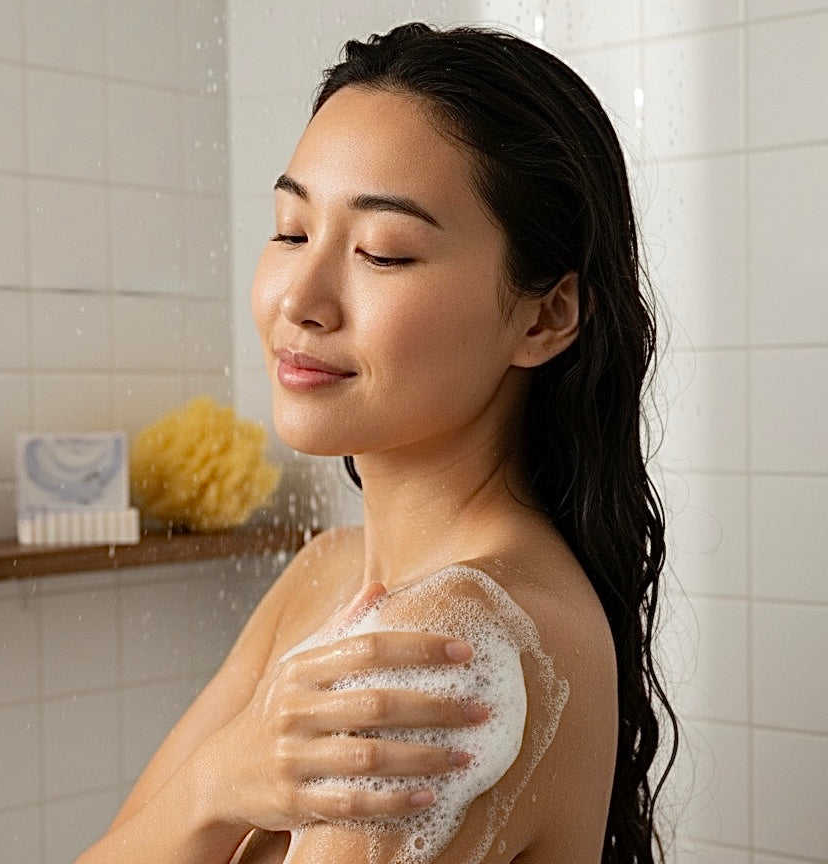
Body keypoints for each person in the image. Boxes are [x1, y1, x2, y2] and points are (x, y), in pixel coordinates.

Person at [77, 22, 676, 864]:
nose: (302, 298)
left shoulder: (455, 647)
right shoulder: (323, 571)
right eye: (291, 231)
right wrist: (219, 782)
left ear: (544, 316)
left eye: (383, 252)